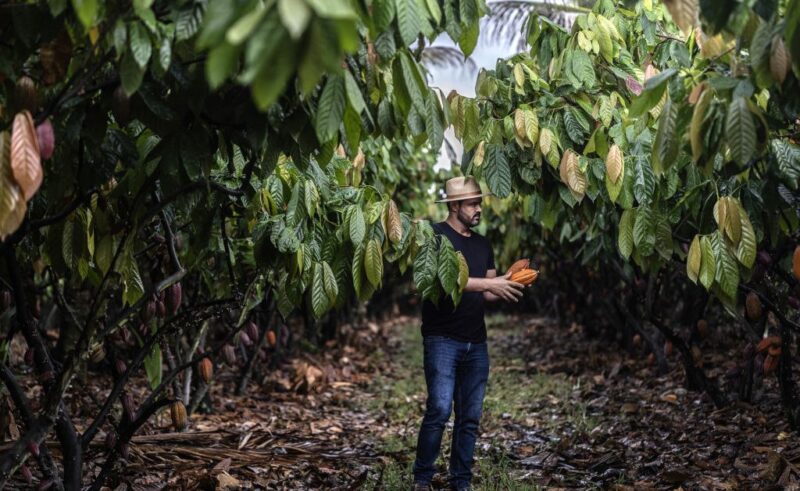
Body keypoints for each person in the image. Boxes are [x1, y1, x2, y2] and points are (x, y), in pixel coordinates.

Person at [412, 176, 526, 491]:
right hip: (442, 338)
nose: (479, 208)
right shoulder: (434, 237)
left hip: (476, 342)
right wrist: (491, 283)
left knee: (470, 417)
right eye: (473, 203)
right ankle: (422, 478)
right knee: (439, 408)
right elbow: (441, 279)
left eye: (479, 202)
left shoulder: (482, 244)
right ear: (455, 205)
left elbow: (487, 291)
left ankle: (460, 480)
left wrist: (509, 281)